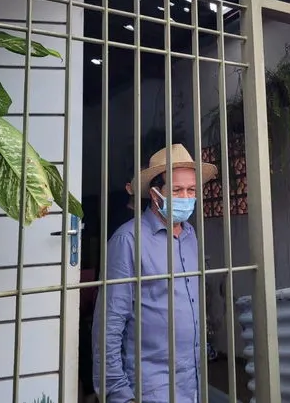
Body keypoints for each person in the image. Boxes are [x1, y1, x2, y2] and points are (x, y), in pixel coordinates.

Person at [93, 144, 217, 403]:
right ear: (155, 194)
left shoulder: (190, 235)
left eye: (191, 190)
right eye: (176, 190)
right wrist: (117, 393)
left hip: (192, 382)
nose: (185, 197)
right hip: (150, 386)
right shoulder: (128, 239)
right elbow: (110, 323)